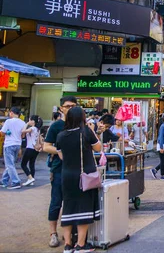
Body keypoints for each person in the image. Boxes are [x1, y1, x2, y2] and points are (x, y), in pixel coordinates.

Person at [55, 106, 101, 252]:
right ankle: (81, 245)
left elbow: (61, 155)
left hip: (67, 175)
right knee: (84, 207)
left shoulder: (61, 135)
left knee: (68, 207)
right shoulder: (85, 132)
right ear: (82, 118)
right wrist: (92, 129)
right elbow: (98, 148)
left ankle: (68, 245)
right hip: (84, 176)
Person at [43, 97, 77, 249]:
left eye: (73, 106)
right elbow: (46, 146)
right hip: (59, 169)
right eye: (67, 106)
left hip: (76, 170)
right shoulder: (56, 126)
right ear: (61, 108)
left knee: (72, 202)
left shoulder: (80, 125)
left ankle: (69, 233)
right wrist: (58, 152)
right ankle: (53, 234)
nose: (70, 108)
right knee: (56, 202)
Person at [1, 107, 26, 189]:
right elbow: (23, 135)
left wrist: (4, 129)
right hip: (17, 144)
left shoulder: (8, 121)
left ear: (11, 113)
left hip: (9, 144)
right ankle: (4, 181)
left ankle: (16, 181)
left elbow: (3, 133)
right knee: (10, 164)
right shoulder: (23, 123)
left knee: (10, 164)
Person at [21, 115, 43, 187]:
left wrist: (26, 124)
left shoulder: (32, 128)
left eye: (30, 120)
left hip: (30, 148)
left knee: (23, 164)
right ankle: (32, 179)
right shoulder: (37, 129)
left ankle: (30, 178)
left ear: (33, 121)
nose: (29, 121)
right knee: (31, 164)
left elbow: (23, 131)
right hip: (35, 149)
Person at [152, 114, 164, 180]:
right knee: (163, 160)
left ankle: (155, 170)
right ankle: (162, 174)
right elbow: (160, 137)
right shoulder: (162, 126)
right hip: (162, 145)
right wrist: (161, 147)